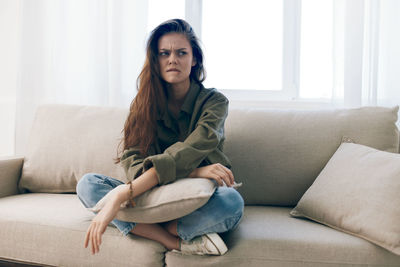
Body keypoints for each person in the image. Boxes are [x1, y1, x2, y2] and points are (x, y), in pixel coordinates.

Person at [76, 18, 244, 256]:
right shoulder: (143, 103)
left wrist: (124, 194)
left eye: (181, 53)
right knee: (88, 185)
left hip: (199, 197)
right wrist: (194, 170)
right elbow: (132, 163)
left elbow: (192, 149)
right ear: (155, 60)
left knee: (232, 203)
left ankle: (145, 227)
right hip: (153, 195)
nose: (172, 59)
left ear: (194, 59)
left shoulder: (215, 102)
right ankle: (172, 241)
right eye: (164, 53)